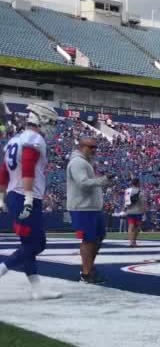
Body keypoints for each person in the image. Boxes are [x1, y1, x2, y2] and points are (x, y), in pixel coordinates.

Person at [0, 103, 61, 300]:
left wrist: (2, 195)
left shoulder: (15, 139)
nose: (52, 127)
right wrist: (27, 195)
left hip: (14, 194)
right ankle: (2, 269)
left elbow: (3, 172)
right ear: (42, 119)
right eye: (51, 122)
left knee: (29, 244)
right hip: (25, 196)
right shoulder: (34, 139)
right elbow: (27, 166)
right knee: (36, 244)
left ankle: (36, 289)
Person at [67, 137, 113, 284]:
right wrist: (102, 181)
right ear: (81, 146)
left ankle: (88, 268)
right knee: (89, 239)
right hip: (83, 207)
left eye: (95, 147)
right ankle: (86, 273)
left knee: (98, 237)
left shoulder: (84, 162)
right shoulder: (77, 162)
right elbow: (82, 183)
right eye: (90, 147)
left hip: (91, 207)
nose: (94, 150)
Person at [125, 178, 146, 248]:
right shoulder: (141, 192)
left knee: (130, 227)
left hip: (130, 211)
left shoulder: (127, 191)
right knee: (137, 227)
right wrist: (144, 212)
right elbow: (143, 203)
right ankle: (134, 241)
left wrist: (125, 210)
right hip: (138, 211)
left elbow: (126, 203)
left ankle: (131, 242)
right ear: (138, 183)